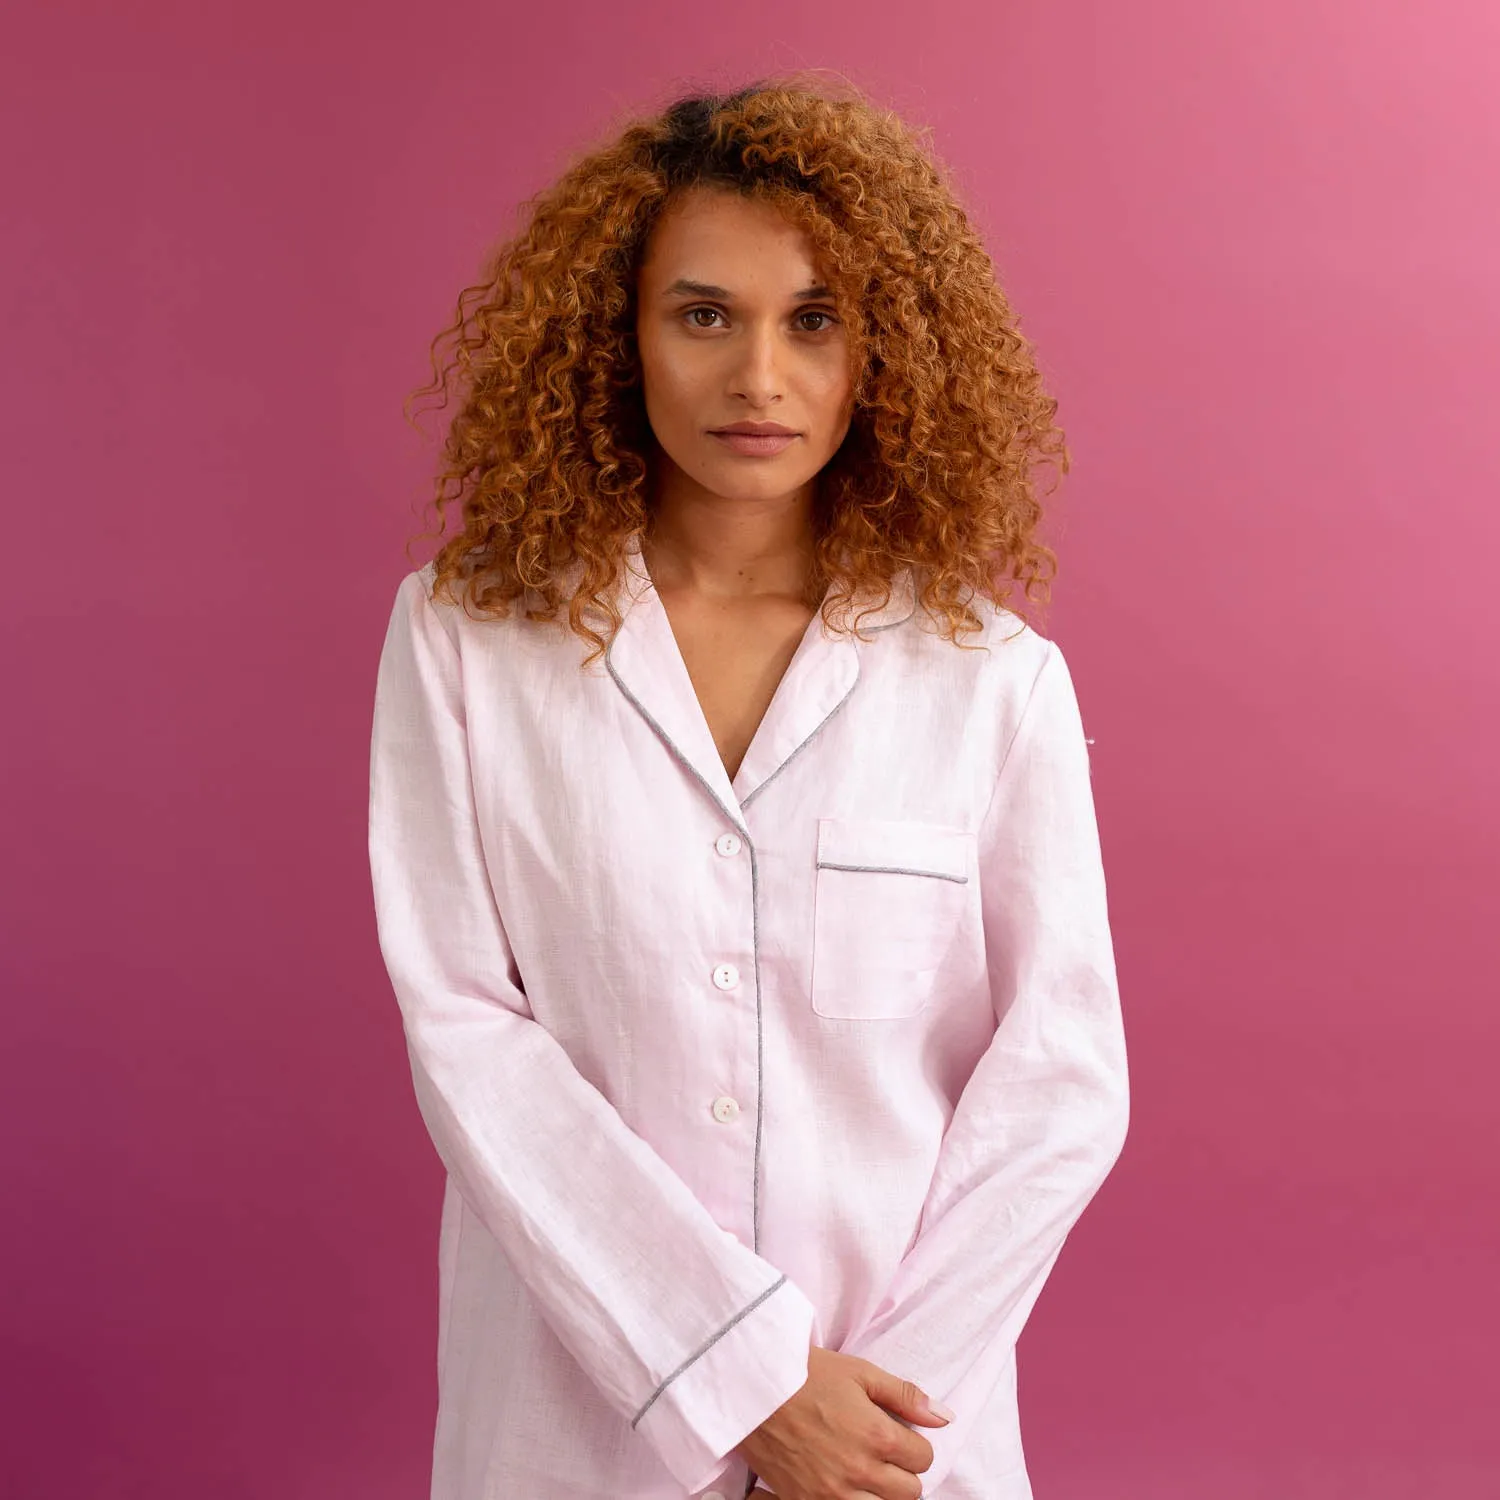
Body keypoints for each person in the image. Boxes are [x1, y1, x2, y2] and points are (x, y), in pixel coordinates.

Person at [368, 74, 1129, 1500]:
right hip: (569, 1423)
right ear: (621, 337)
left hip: (904, 1434)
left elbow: (1062, 1085)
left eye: (815, 319)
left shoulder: (989, 680)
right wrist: (741, 1378)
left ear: (884, 348)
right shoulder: (465, 638)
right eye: (704, 314)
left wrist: (875, 1415)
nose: (760, 378)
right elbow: (468, 1031)